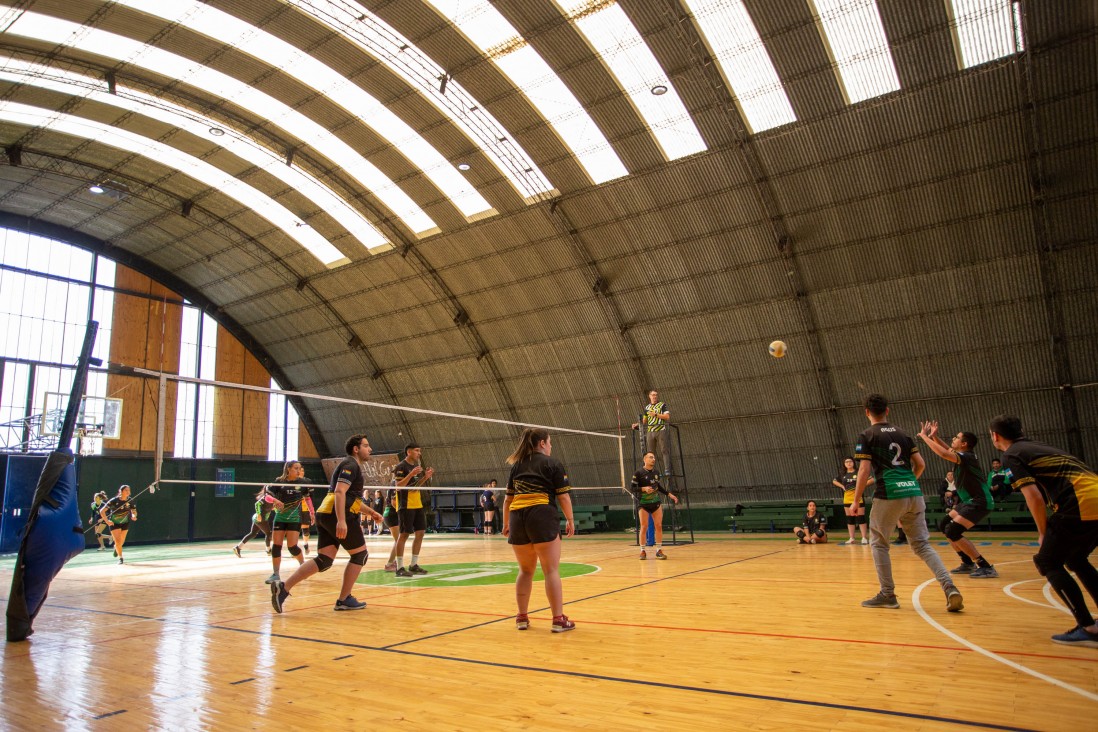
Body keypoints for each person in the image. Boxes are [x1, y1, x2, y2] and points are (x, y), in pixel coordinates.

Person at [990, 415, 1098, 647]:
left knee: (1047, 561)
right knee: (1076, 559)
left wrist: (1042, 531)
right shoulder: (1036, 446)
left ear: (995, 435)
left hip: (1079, 502)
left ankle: (1088, 627)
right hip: (1093, 496)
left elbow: (1033, 497)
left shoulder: (1011, 455)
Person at [851, 394, 963, 612]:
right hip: (914, 492)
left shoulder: (867, 435)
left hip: (889, 494)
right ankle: (949, 587)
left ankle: (888, 594)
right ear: (887, 410)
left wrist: (856, 500)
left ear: (866, 412)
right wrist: (909, 483)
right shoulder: (902, 433)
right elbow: (920, 464)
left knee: (879, 544)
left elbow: (864, 470)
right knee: (922, 545)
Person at [271, 434, 384, 613]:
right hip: (337, 514)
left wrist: (370, 512)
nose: (369, 449)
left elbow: (346, 496)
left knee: (324, 560)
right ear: (356, 449)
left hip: (326, 512)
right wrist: (341, 520)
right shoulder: (350, 465)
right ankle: (344, 599)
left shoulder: (350, 465)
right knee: (360, 555)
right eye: (366, 446)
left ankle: (283, 589)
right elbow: (340, 492)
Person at [503, 427, 576, 632]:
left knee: (525, 571)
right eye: (550, 442)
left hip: (518, 516)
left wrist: (506, 523)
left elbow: (508, 499)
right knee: (550, 570)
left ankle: (522, 617)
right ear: (542, 443)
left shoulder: (517, 465)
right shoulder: (553, 463)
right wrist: (570, 519)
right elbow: (563, 496)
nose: (551, 445)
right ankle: (558, 619)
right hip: (541, 515)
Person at [917, 422, 998, 578]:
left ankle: (985, 566)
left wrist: (924, 437)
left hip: (979, 501)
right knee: (944, 525)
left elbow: (944, 454)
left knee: (953, 531)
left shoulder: (966, 457)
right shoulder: (963, 455)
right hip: (968, 501)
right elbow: (948, 450)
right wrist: (934, 437)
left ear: (964, 444)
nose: (953, 439)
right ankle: (967, 562)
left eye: (956, 437)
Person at [265, 461, 314, 585]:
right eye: (296, 468)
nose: (298, 471)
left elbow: (307, 498)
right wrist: (276, 500)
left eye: (300, 468)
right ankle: (276, 574)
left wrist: (312, 513)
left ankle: (303, 567)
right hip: (280, 518)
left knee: (292, 547)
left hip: (294, 519)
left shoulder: (303, 483)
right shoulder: (279, 482)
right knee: (276, 546)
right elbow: (266, 497)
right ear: (288, 469)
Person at [393, 443, 434, 577]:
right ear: (409, 452)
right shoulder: (401, 467)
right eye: (417, 451)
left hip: (417, 504)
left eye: (420, 451)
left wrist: (425, 477)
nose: (419, 453)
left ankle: (413, 564)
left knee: (420, 533)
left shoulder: (416, 467)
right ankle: (399, 567)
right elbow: (398, 486)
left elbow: (415, 487)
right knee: (404, 535)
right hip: (406, 505)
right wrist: (411, 474)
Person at [631, 452, 678, 559]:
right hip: (643, 504)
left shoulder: (656, 472)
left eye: (654, 458)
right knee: (644, 526)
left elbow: (658, 486)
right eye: (651, 457)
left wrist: (669, 494)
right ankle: (642, 551)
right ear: (645, 459)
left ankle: (659, 550)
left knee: (659, 526)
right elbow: (632, 488)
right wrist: (643, 489)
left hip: (656, 503)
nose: (653, 459)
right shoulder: (638, 473)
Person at [631, 390, 672, 477]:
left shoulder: (662, 405)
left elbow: (667, 417)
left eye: (656, 395)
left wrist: (655, 415)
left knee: (664, 450)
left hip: (660, 429)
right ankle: (651, 471)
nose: (655, 396)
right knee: (650, 453)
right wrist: (637, 424)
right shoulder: (647, 407)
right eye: (653, 395)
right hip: (650, 431)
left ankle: (667, 470)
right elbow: (645, 420)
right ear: (649, 396)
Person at [833, 457, 870, 545]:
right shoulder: (843, 474)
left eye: (850, 461)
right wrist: (842, 486)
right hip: (847, 498)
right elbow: (834, 481)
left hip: (858, 498)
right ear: (844, 464)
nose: (848, 463)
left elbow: (871, 479)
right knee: (850, 519)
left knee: (861, 518)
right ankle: (851, 538)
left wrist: (860, 486)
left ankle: (864, 537)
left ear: (853, 462)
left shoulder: (858, 472)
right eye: (846, 462)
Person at [99, 484, 137, 565]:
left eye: (129, 490)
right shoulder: (114, 500)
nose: (128, 492)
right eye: (126, 490)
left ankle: (116, 548)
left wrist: (134, 515)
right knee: (118, 541)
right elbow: (102, 511)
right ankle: (121, 558)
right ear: (121, 491)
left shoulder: (130, 500)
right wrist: (107, 522)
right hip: (114, 523)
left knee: (121, 542)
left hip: (125, 523)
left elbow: (134, 510)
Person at [233, 487, 274, 558]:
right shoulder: (267, 497)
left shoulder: (272, 498)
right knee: (268, 534)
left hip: (257, 519)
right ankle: (268, 550)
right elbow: (257, 504)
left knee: (253, 534)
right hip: (260, 520)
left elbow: (272, 507)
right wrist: (258, 514)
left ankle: (238, 547)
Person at [382, 488, 400, 571]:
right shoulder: (395, 485)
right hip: (391, 514)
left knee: (398, 540)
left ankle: (392, 562)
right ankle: (389, 564)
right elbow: (394, 502)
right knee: (398, 540)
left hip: (391, 514)